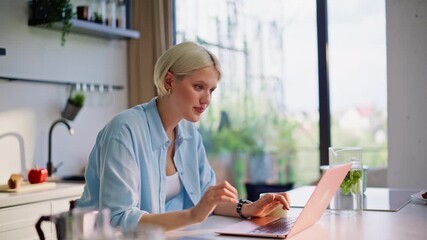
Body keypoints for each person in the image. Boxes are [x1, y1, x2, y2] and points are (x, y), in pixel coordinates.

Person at [75, 41, 290, 232]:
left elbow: (206, 200)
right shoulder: (125, 130)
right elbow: (118, 219)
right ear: (169, 81)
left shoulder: (189, 133)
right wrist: (192, 216)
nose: (206, 99)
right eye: (198, 87)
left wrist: (249, 208)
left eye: (211, 90)